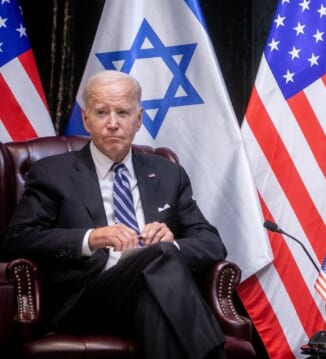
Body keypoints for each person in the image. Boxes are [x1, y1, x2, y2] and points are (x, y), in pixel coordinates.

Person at [0, 70, 228, 359]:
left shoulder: (169, 174)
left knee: (156, 282)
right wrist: (90, 238)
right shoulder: (53, 173)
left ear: (139, 119)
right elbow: (15, 239)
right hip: (86, 301)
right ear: (86, 119)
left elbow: (212, 242)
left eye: (122, 112)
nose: (112, 123)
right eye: (101, 112)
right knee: (161, 255)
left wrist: (174, 244)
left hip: (153, 295)